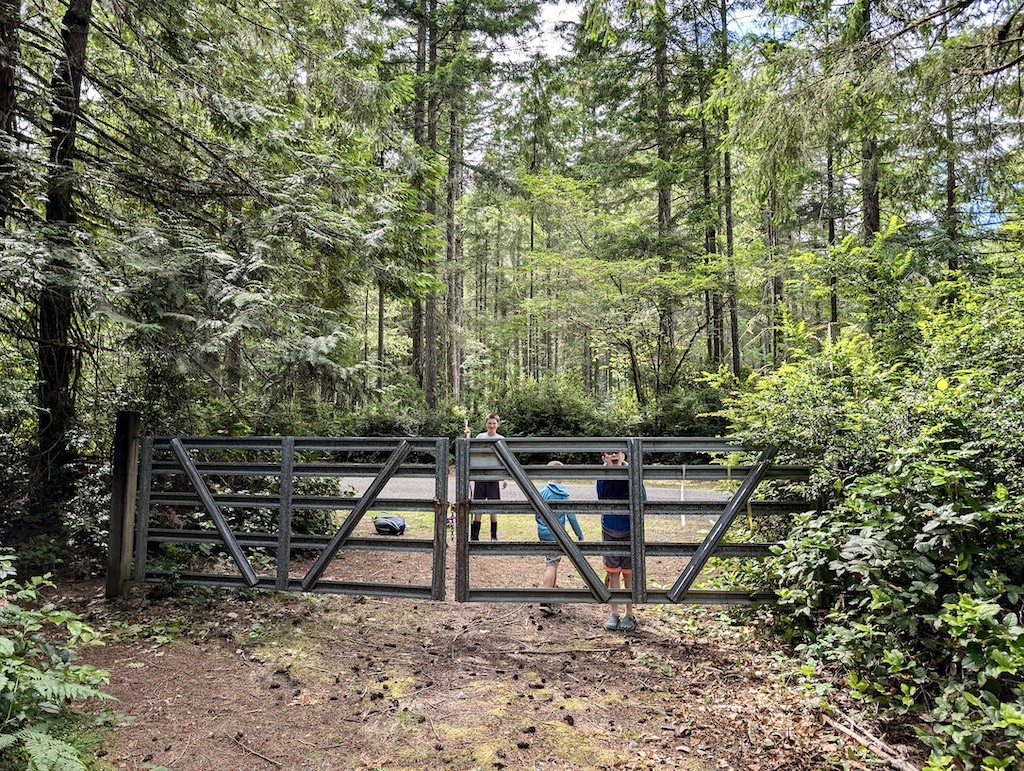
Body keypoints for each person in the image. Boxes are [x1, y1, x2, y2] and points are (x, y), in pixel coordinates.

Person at [596, 449, 645, 632]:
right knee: (613, 572)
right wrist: (608, 472)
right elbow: (601, 497)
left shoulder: (632, 472)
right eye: (609, 453)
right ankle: (614, 613)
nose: (613, 456)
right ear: (604, 458)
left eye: (616, 452)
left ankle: (629, 614)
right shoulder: (601, 476)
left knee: (628, 573)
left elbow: (642, 497)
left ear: (623, 455)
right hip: (609, 530)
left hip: (629, 531)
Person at [536, 461, 584, 616]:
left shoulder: (542, 492)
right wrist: (579, 533)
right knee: (552, 563)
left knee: (552, 561)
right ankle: (545, 599)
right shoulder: (564, 494)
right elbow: (571, 516)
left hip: (543, 533)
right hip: (557, 534)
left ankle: (552, 589)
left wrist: (541, 525)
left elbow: (537, 512)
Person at [465, 413, 507, 540]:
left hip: (494, 476)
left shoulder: (501, 438)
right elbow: (471, 449)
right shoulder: (480, 437)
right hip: (480, 475)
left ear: (498, 424)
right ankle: (475, 536)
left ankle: (494, 536)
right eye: (490, 423)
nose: (492, 425)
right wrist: (467, 434)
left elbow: (504, 459)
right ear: (486, 424)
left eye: (494, 423)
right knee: (478, 505)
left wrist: (504, 477)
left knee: (493, 507)